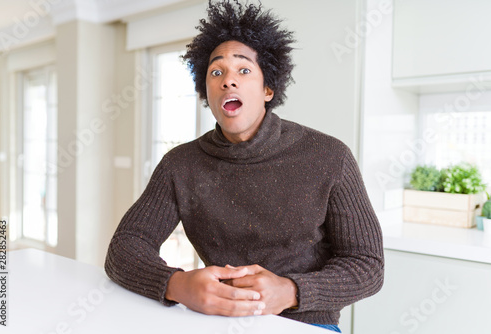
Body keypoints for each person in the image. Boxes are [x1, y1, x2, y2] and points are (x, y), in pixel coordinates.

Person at [105, 0, 384, 332]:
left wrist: (293, 291)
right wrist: (177, 285)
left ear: (268, 89)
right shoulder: (180, 165)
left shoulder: (329, 156)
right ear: (206, 92)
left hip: (307, 325)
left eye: (244, 69)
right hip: (218, 322)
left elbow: (367, 265)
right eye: (216, 72)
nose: (228, 81)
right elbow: (124, 246)